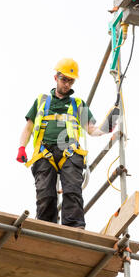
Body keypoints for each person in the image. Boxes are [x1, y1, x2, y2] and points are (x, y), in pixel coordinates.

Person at [16, 58, 108, 229]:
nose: (67, 84)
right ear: (56, 78)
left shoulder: (78, 104)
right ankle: (46, 228)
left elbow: (91, 129)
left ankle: (74, 228)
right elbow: (28, 128)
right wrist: (21, 147)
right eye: (64, 79)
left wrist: (109, 126)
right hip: (44, 152)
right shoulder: (42, 100)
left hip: (70, 152)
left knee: (72, 191)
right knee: (45, 195)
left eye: (70, 80)